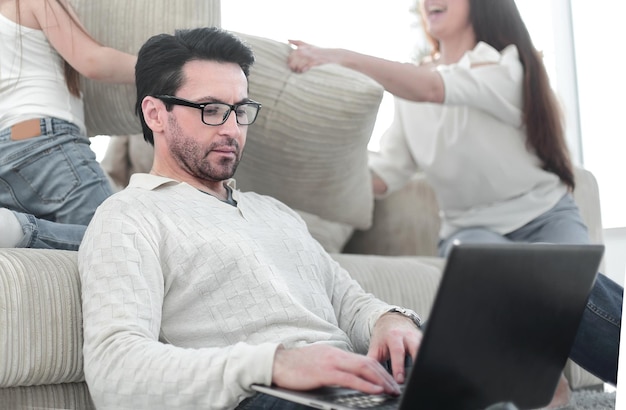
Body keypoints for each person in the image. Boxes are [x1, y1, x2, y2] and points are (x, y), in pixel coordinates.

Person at [77, 27, 426, 410]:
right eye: (210, 110)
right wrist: (274, 364)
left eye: (240, 111)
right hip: (263, 395)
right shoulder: (130, 215)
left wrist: (389, 320)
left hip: (349, 390)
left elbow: (348, 302)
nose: (231, 129)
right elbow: (115, 370)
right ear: (155, 113)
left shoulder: (274, 212)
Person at [288, 0, 622, 396]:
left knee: (570, 291)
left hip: (545, 215)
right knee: (500, 276)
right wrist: (309, 167)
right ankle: (542, 383)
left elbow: (432, 88)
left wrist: (341, 57)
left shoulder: (506, 66)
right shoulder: (410, 90)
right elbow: (383, 177)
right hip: (472, 230)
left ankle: (545, 381)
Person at [0, 0, 136, 249]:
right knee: (118, 243)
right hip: (45, 145)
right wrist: (168, 68)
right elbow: (92, 61)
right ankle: (12, 228)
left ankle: (12, 230)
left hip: (6, 157)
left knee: (64, 262)